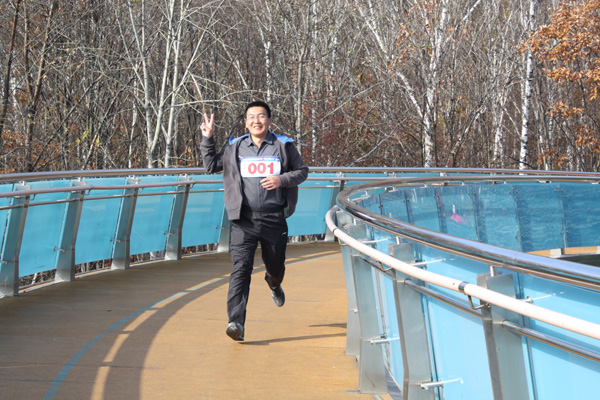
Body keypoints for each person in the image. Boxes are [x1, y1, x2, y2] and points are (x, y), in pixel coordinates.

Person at [200, 101, 309, 341]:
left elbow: (302, 171)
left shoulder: (283, 145)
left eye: (261, 116)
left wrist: (281, 180)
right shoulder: (235, 146)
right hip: (243, 219)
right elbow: (210, 166)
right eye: (251, 117)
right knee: (240, 269)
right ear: (246, 122)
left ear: (269, 120)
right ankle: (236, 322)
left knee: (276, 268)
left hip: (273, 218)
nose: (256, 120)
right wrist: (208, 138)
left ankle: (274, 283)